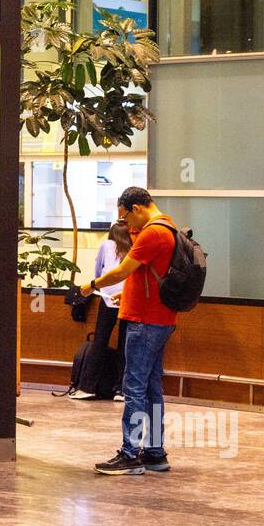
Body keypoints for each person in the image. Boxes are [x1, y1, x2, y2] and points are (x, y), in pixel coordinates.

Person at [79, 187, 179, 475]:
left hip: (145, 322)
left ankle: (130, 453)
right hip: (158, 318)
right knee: (151, 388)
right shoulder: (167, 226)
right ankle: (155, 452)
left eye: (125, 217)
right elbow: (147, 277)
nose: (124, 225)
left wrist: (91, 285)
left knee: (133, 387)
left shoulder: (152, 233)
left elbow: (122, 271)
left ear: (137, 208)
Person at [68, 221, 132, 402]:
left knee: (100, 341)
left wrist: (97, 286)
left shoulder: (106, 245)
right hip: (127, 298)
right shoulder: (133, 247)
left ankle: (88, 387)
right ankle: (121, 390)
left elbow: (98, 272)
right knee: (124, 344)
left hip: (107, 297)